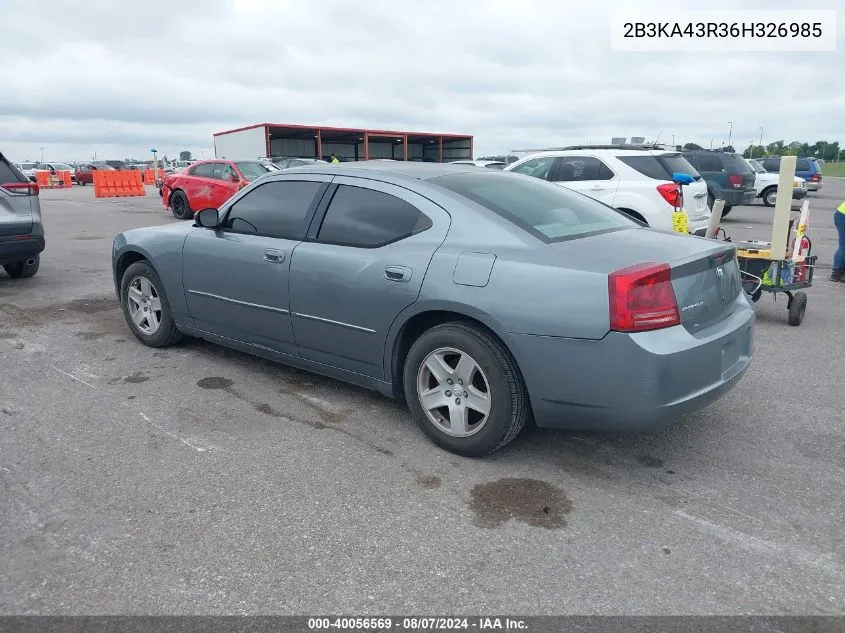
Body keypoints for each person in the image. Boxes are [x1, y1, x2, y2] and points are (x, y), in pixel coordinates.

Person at [832, 201, 845, 281]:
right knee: (843, 245)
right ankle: (836, 272)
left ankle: (840, 272)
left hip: (841, 214)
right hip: (842, 216)